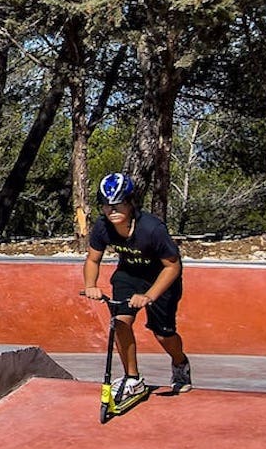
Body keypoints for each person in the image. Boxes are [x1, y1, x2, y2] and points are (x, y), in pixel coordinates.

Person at [80, 172, 193, 407]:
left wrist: (150, 296)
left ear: (131, 203)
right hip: (129, 275)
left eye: (119, 204)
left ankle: (180, 363)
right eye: (107, 206)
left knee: (163, 333)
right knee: (120, 322)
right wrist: (90, 286)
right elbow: (93, 260)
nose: (113, 211)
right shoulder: (102, 227)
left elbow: (173, 266)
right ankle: (133, 378)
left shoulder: (152, 229)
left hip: (160, 277)